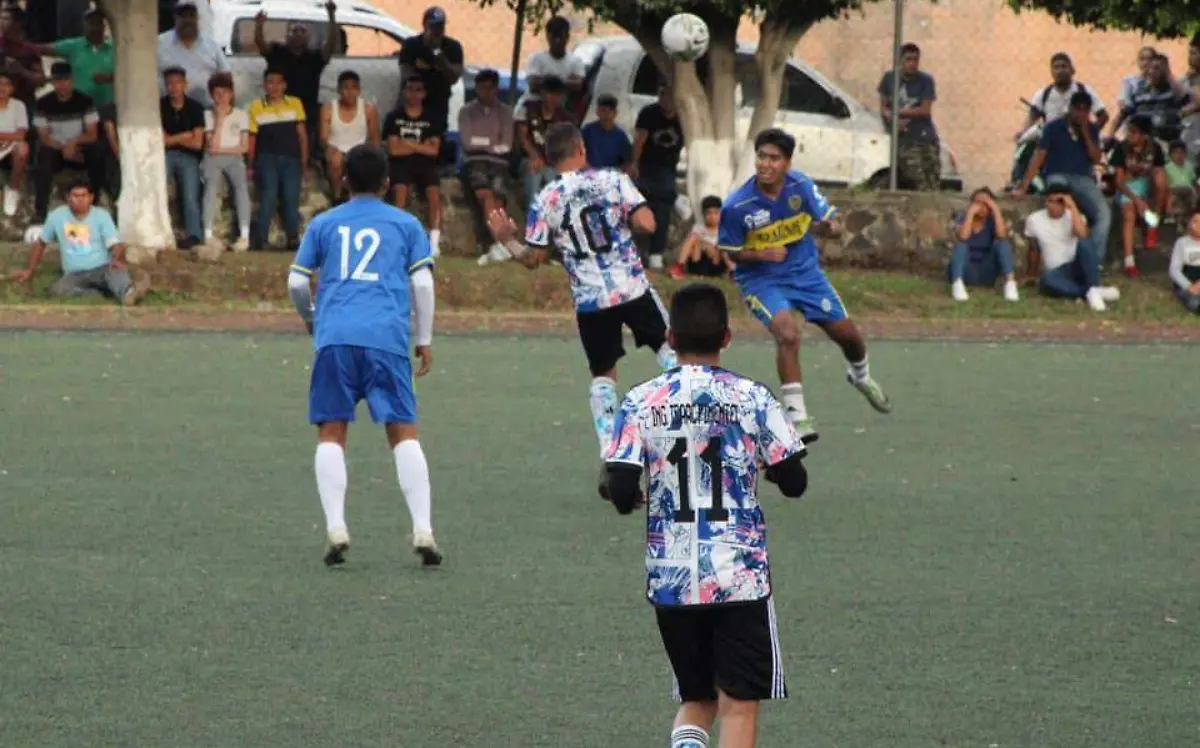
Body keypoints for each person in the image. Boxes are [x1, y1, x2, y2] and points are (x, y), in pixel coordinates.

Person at [604, 282, 809, 748]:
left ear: (670, 338)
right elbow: (795, 481)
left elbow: (620, 487)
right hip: (737, 575)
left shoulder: (640, 400)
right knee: (738, 702)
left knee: (696, 697)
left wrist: (630, 494)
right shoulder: (752, 397)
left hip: (672, 577)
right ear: (727, 337)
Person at [485, 122, 678, 498]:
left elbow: (533, 259)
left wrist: (508, 239)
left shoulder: (546, 198)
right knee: (670, 350)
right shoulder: (613, 180)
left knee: (604, 375)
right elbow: (646, 222)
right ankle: (693, 427)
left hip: (591, 300)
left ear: (550, 158)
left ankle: (611, 453)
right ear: (582, 149)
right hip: (631, 287)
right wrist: (630, 219)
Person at [286, 143, 442, 567]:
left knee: (331, 431)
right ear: (388, 183)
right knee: (403, 431)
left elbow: (297, 282)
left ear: (344, 181)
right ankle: (423, 529)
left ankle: (336, 527)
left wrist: (312, 319)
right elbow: (423, 284)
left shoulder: (324, 223)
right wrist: (424, 338)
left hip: (335, 337)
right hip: (386, 339)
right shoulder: (407, 224)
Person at [719, 128, 891, 445]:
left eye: (774, 158)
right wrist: (760, 254)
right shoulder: (737, 205)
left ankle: (860, 376)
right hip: (762, 281)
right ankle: (797, 417)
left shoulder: (800, 186)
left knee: (848, 336)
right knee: (788, 334)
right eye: (761, 157)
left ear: (787, 163)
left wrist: (831, 228)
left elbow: (831, 222)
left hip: (806, 275)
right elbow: (730, 252)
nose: (765, 164)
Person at [9, 178, 147, 305]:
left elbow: (116, 245)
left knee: (116, 273)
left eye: (83, 196)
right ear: (67, 198)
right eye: (75, 196)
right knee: (57, 291)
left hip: (102, 268)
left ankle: (128, 293)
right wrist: (29, 270)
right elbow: (41, 243)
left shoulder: (101, 216)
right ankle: (97, 295)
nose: (80, 200)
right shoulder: (56, 216)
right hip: (74, 273)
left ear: (91, 198)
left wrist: (116, 259)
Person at [1013, 90, 1110, 259]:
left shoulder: (1092, 129)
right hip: (1056, 174)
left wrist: (1085, 133)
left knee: (1104, 214)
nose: (1080, 113)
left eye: (1085, 110)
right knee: (1060, 207)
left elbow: (1096, 159)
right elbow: (1039, 157)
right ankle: (1061, 258)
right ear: (1070, 108)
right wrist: (1023, 187)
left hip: (1083, 178)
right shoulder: (1053, 127)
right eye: (1077, 108)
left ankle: (1092, 261)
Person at [253, 2, 337, 161]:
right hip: (277, 108)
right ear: (287, 36)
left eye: (302, 31)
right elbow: (261, 45)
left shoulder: (314, 57)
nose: (298, 33)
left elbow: (331, 46)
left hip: (307, 111)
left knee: (307, 144)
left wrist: (332, 17)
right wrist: (258, 26)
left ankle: (309, 162)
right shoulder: (278, 52)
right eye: (294, 30)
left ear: (308, 37)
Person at [1023, 185, 1120, 311]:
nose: (1054, 205)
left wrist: (1072, 206)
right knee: (1046, 282)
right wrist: (1031, 274)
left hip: (1076, 265)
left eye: (1059, 202)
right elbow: (1033, 249)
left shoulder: (1075, 216)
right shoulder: (1034, 219)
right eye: (1051, 201)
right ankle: (1092, 292)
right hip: (1056, 272)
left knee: (1085, 243)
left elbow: (1082, 235)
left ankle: (1094, 287)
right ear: (1046, 202)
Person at [32, 61, 104, 227]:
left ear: (72, 80)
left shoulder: (85, 101)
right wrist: (64, 149)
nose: (62, 85)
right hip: (56, 150)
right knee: (44, 156)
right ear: (52, 82)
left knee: (98, 151)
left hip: (79, 149)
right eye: (58, 81)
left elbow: (92, 134)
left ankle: (95, 204)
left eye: (65, 80)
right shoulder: (43, 103)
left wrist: (73, 144)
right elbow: (44, 137)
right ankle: (40, 213)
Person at [457, 68, 514, 265]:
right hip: (474, 161)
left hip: (499, 163)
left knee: (498, 198)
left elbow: (506, 144)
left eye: (491, 88)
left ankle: (498, 245)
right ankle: (498, 243)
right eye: (482, 88)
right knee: (486, 194)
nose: (487, 92)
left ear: (497, 89)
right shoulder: (466, 112)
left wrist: (482, 141)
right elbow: (467, 142)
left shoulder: (506, 112)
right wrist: (492, 142)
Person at [247, 68, 308, 251]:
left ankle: (293, 238)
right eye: (270, 82)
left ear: (284, 85)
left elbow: (302, 135)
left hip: (291, 158)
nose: (274, 87)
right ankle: (261, 239)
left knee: (291, 197)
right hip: (267, 158)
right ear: (264, 85)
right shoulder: (256, 106)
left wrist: (304, 160)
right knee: (269, 196)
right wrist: (251, 163)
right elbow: (252, 138)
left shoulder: (295, 104)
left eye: (278, 82)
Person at [384, 76, 443, 256]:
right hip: (400, 164)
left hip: (425, 164)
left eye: (418, 90)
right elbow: (393, 150)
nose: (413, 94)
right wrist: (421, 145)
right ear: (403, 92)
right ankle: (396, 239)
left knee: (434, 193)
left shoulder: (432, 119)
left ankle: (434, 243)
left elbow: (434, 150)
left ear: (424, 94)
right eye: (410, 89)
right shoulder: (394, 117)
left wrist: (407, 143)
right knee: (400, 192)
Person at [632, 82, 684, 269]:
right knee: (645, 194)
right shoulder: (649, 113)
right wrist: (634, 163)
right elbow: (639, 140)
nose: (666, 98)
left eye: (670, 94)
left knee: (661, 208)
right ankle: (674, 198)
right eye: (663, 94)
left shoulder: (683, 115)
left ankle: (656, 254)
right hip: (647, 165)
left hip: (668, 168)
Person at [877, 42, 940, 191]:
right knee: (917, 179)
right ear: (900, 61)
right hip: (905, 139)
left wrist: (897, 112)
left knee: (932, 180)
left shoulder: (925, 80)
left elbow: (925, 110)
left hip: (925, 136)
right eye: (908, 59)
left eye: (916, 59)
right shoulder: (889, 79)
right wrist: (891, 119)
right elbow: (883, 107)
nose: (912, 64)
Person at [1111, 115, 1167, 275]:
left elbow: (1160, 172)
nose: (1129, 135)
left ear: (1144, 135)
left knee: (1161, 179)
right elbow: (1119, 181)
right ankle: (1129, 261)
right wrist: (1137, 200)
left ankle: (1153, 224)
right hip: (1128, 187)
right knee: (1129, 215)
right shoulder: (1121, 148)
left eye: (1134, 132)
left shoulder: (1154, 147)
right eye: (1129, 131)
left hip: (1147, 184)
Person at [203, 72, 252, 252]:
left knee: (241, 189)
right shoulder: (208, 115)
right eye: (216, 93)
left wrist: (221, 150)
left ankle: (244, 236)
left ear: (231, 94)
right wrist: (220, 120)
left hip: (234, 157)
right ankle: (208, 234)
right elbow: (211, 145)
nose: (221, 97)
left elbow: (244, 147)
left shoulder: (241, 115)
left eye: (224, 92)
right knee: (210, 190)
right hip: (213, 159)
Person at [397, 6, 463, 140]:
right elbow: (405, 73)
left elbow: (453, 78)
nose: (437, 30)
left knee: (435, 137)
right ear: (424, 25)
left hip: (439, 101)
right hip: (414, 101)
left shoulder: (453, 47)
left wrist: (438, 53)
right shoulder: (412, 45)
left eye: (440, 26)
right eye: (433, 26)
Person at [161, 66, 206, 249]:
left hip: (189, 156)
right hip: (165, 155)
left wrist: (172, 139)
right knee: (158, 190)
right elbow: (161, 141)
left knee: (190, 195)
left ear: (185, 84)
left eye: (177, 82)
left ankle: (194, 235)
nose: (173, 87)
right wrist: (185, 135)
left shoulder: (195, 108)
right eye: (169, 83)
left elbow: (197, 143)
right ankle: (161, 232)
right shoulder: (159, 106)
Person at [947, 187, 1018, 302]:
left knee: (1002, 242)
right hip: (965, 270)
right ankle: (957, 285)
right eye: (978, 203)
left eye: (985, 203)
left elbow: (1002, 235)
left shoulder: (994, 221)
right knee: (961, 244)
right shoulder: (962, 218)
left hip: (986, 270)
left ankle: (1010, 283)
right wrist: (970, 213)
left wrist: (995, 209)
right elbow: (963, 237)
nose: (981, 207)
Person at [320, 71, 380, 204]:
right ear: (339, 90)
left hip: (359, 151)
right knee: (336, 160)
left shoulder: (368, 110)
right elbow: (323, 138)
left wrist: (370, 154)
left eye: (354, 88)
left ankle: (359, 197)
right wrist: (330, 148)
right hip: (336, 150)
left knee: (363, 162)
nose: (350, 92)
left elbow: (374, 139)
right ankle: (337, 197)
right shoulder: (328, 109)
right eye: (345, 88)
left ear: (359, 90)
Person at [1016, 53, 1108, 139]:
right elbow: (1032, 117)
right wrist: (1023, 132)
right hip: (1052, 143)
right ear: (1051, 72)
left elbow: (1103, 116)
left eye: (1064, 66)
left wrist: (1089, 134)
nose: (1060, 71)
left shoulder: (1084, 90)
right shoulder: (1043, 94)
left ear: (1072, 70)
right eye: (1056, 67)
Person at [516, 75, 573, 210]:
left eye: (557, 95)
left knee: (555, 182)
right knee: (534, 173)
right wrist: (534, 156)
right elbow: (522, 137)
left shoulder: (565, 118)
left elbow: (562, 148)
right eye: (550, 94)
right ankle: (532, 216)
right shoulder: (528, 107)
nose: (553, 99)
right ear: (542, 93)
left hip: (551, 163)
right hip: (527, 159)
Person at [36, 9, 113, 108]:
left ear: (103, 26)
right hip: (79, 107)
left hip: (107, 106)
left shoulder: (115, 48)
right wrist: (23, 46)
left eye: (97, 23)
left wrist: (110, 77)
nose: (94, 27)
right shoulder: (74, 46)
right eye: (91, 23)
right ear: (84, 26)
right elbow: (44, 49)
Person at [157, 2, 229, 108]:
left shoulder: (212, 46)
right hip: (169, 110)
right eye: (183, 16)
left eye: (191, 16)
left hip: (207, 109)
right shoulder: (159, 44)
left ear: (197, 19)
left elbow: (226, 77)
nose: (188, 21)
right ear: (175, 19)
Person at [525, 15, 586, 121]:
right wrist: (563, 83)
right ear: (547, 37)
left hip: (561, 111)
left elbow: (577, 85)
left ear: (567, 37)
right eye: (554, 37)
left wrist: (546, 81)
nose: (557, 41)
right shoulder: (536, 58)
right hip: (533, 109)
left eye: (560, 37)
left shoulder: (576, 61)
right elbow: (533, 84)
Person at [670, 195, 734, 280]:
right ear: (703, 214)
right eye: (709, 213)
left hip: (717, 262)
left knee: (725, 244)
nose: (712, 216)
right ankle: (679, 266)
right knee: (693, 237)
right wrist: (704, 245)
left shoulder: (724, 229)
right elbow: (694, 242)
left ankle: (733, 272)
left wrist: (715, 247)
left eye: (716, 213)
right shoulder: (699, 228)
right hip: (698, 261)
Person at [0, 6, 45, 110]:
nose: (1, 22)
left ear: (17, 23)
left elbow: (41, 80)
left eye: (6, 19)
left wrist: (21, 70)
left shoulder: (29, 50)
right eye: (0, 18)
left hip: (24, 104)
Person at [0, 71, 29, 217]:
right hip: (7, 140)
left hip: (10, 146)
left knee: (23, 148)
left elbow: (21, 134)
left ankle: (13, 190)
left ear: (12, 88)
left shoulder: (18, 105)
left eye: (6, 84)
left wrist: (5, 138)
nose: (2, 88)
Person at [581, 94, 632, 171]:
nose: (605, 115)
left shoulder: (620, 135)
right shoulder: (588, 130)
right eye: (603, 111)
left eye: (609, 111)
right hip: (589, 171)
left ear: (615, 113)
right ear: (597, 112)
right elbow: (576, 151)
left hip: (611, 172)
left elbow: (627, 159)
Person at [1168, 209, 1200, 313]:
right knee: (1193, 301)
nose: (1196, 225)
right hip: (1188, 281)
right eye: (1195, 221)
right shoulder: (1182, 243)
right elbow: (1174, 269)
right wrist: (1188, 286)